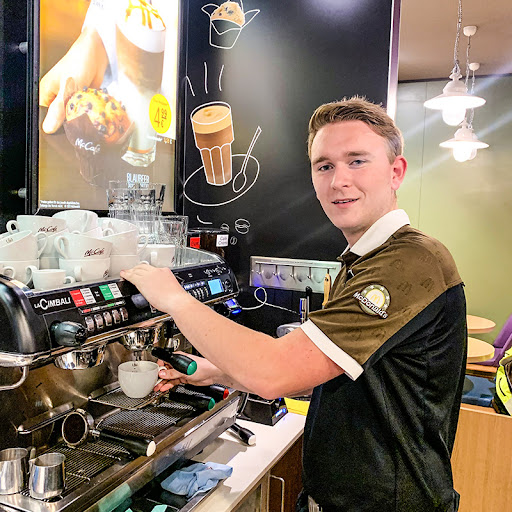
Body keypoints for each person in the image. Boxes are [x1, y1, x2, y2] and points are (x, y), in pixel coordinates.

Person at [120, 97, 467, 512]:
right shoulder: (362, 261)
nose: (338, 181)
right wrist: (216, 371)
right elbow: (316, 376)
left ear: (396, 172)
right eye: (324, 166)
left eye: (357, 161)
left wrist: (174, 298)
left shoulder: (409, 261)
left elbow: (274, 372)